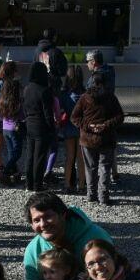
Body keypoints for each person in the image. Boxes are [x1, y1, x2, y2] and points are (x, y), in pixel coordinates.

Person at [71, 70, 125, 205]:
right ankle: (104, 197)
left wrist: (89, 126)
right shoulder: (111, 97)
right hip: (106, 138)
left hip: (88, 140)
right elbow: (120, 117)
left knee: (90, 168)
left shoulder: (84, 98)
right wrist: (105, 125)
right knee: (105, 168)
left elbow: (74, 117)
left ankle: (91, 195)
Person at [22, 61, 57, 191]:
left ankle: (28, 184)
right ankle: (38, 185)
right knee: (40, 157)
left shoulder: (27, 89)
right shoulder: (44, 91)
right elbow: (48, 114)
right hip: (41, 126)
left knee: (30, 156)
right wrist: (52, 129)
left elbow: (24, 108)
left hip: (30, 124)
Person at [85, 50, 118, 182]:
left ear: (94, 62)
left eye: (87, 61)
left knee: (96, 148)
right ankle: (114, 173)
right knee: (111, 145)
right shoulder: (111, 71)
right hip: (110, 111)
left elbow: (89, 95)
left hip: (97, 114)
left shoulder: (95, 78)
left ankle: (97, 181)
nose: (87, 64)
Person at [58, 65, 86, 194]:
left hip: (68, 127)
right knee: (81, 159)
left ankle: (67, 184)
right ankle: (81, 185)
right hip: (81, 128)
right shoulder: (85, 94)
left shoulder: (64, 94)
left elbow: (60, 111)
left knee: (69, 157)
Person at [0, 70, 25, 184]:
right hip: (15, 129)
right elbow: (22, 115)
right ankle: (6, 172)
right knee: (17, 153)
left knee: (10, 152)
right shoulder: (17, 102)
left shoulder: (2, 101)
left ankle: (14, 173)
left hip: (5, 129)